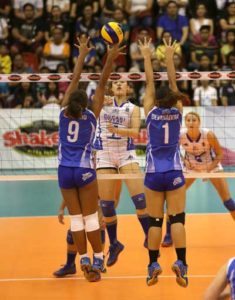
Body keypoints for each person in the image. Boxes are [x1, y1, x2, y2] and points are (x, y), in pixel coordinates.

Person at [58, 35, 124, 282]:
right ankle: (97, 258)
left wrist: (82, 55)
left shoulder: (64, 113)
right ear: (86, 104)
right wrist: (111, 56)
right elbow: (103, 80)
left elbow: (74, 81)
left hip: (65, 170)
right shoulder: (92, 115)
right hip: (85, 171)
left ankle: (82, 259)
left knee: (76, 219)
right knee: (90, 218)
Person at [139, 37, 188, 287]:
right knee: (177, 218)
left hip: (153, 173)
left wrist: (147, 56)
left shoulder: (150, 111)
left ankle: (153, 263)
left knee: (155, 220)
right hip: (175, 171)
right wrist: (169, 57)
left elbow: (150, 82)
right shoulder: (178, 110)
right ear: (173, 99)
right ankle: (181, 263)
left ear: (156, 101)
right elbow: (172, 82)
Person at [93, 81, 149, 267]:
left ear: (128, 88)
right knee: (107, 205)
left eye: (122, 83)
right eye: (115, 82)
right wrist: (102, 98)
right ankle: (115, 243)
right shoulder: (102, 102)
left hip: (126, 154)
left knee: (141, 200)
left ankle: (150, 236)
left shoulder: (133, 108)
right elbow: (95, 96)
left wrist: (116, 130)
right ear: (110, 87)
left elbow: (135, 132)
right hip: (105, 155)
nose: (118, 85)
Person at [162, 111, 235, 247]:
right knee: (173, 201)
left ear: (199, 122)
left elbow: (219, 154)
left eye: (193, 120)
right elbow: (174, 151)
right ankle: (168, 235)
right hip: (191, 167)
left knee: (228, 201)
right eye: (188, 120)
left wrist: (208, 170)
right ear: (185, 122)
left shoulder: (208, 135)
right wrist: (184, 161)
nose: (191, 122)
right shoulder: (181, 135)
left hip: (211, 165)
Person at [53, 180, 122, 277]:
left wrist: (107, 215)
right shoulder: (83, 168)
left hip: (99, 205)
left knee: (98, 229)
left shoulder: (108, 170)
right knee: (73, 232)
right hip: (81, 202)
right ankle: (70, 265)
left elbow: (115, 197)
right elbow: (71, 190)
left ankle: (98, 264)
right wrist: (61, 208)